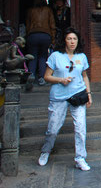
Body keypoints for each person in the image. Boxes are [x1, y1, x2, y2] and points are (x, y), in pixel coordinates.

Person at [38, 27, 92, 171]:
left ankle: (80, 158)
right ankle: (46, 151)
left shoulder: (81, 56)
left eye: (74, 39)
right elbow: (46, 76)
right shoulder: (55, 56)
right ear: (65, 41)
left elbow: (85, 76)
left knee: (81, 128)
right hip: (59, 96)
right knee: (53, 128)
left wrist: (89, 94)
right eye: (69, 39)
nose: (72, 42)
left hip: (78, 95)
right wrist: (61, 80)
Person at [26, 0, 56, 85]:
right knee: (43, 57)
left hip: (33, 35)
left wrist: (28, 36)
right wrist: (53, 39)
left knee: (33, 57)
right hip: (45, 35)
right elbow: (52, 25)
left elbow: (27, 25)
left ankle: (31, 76)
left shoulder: (30, 11)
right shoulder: (48, 10)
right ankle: (42, 78)